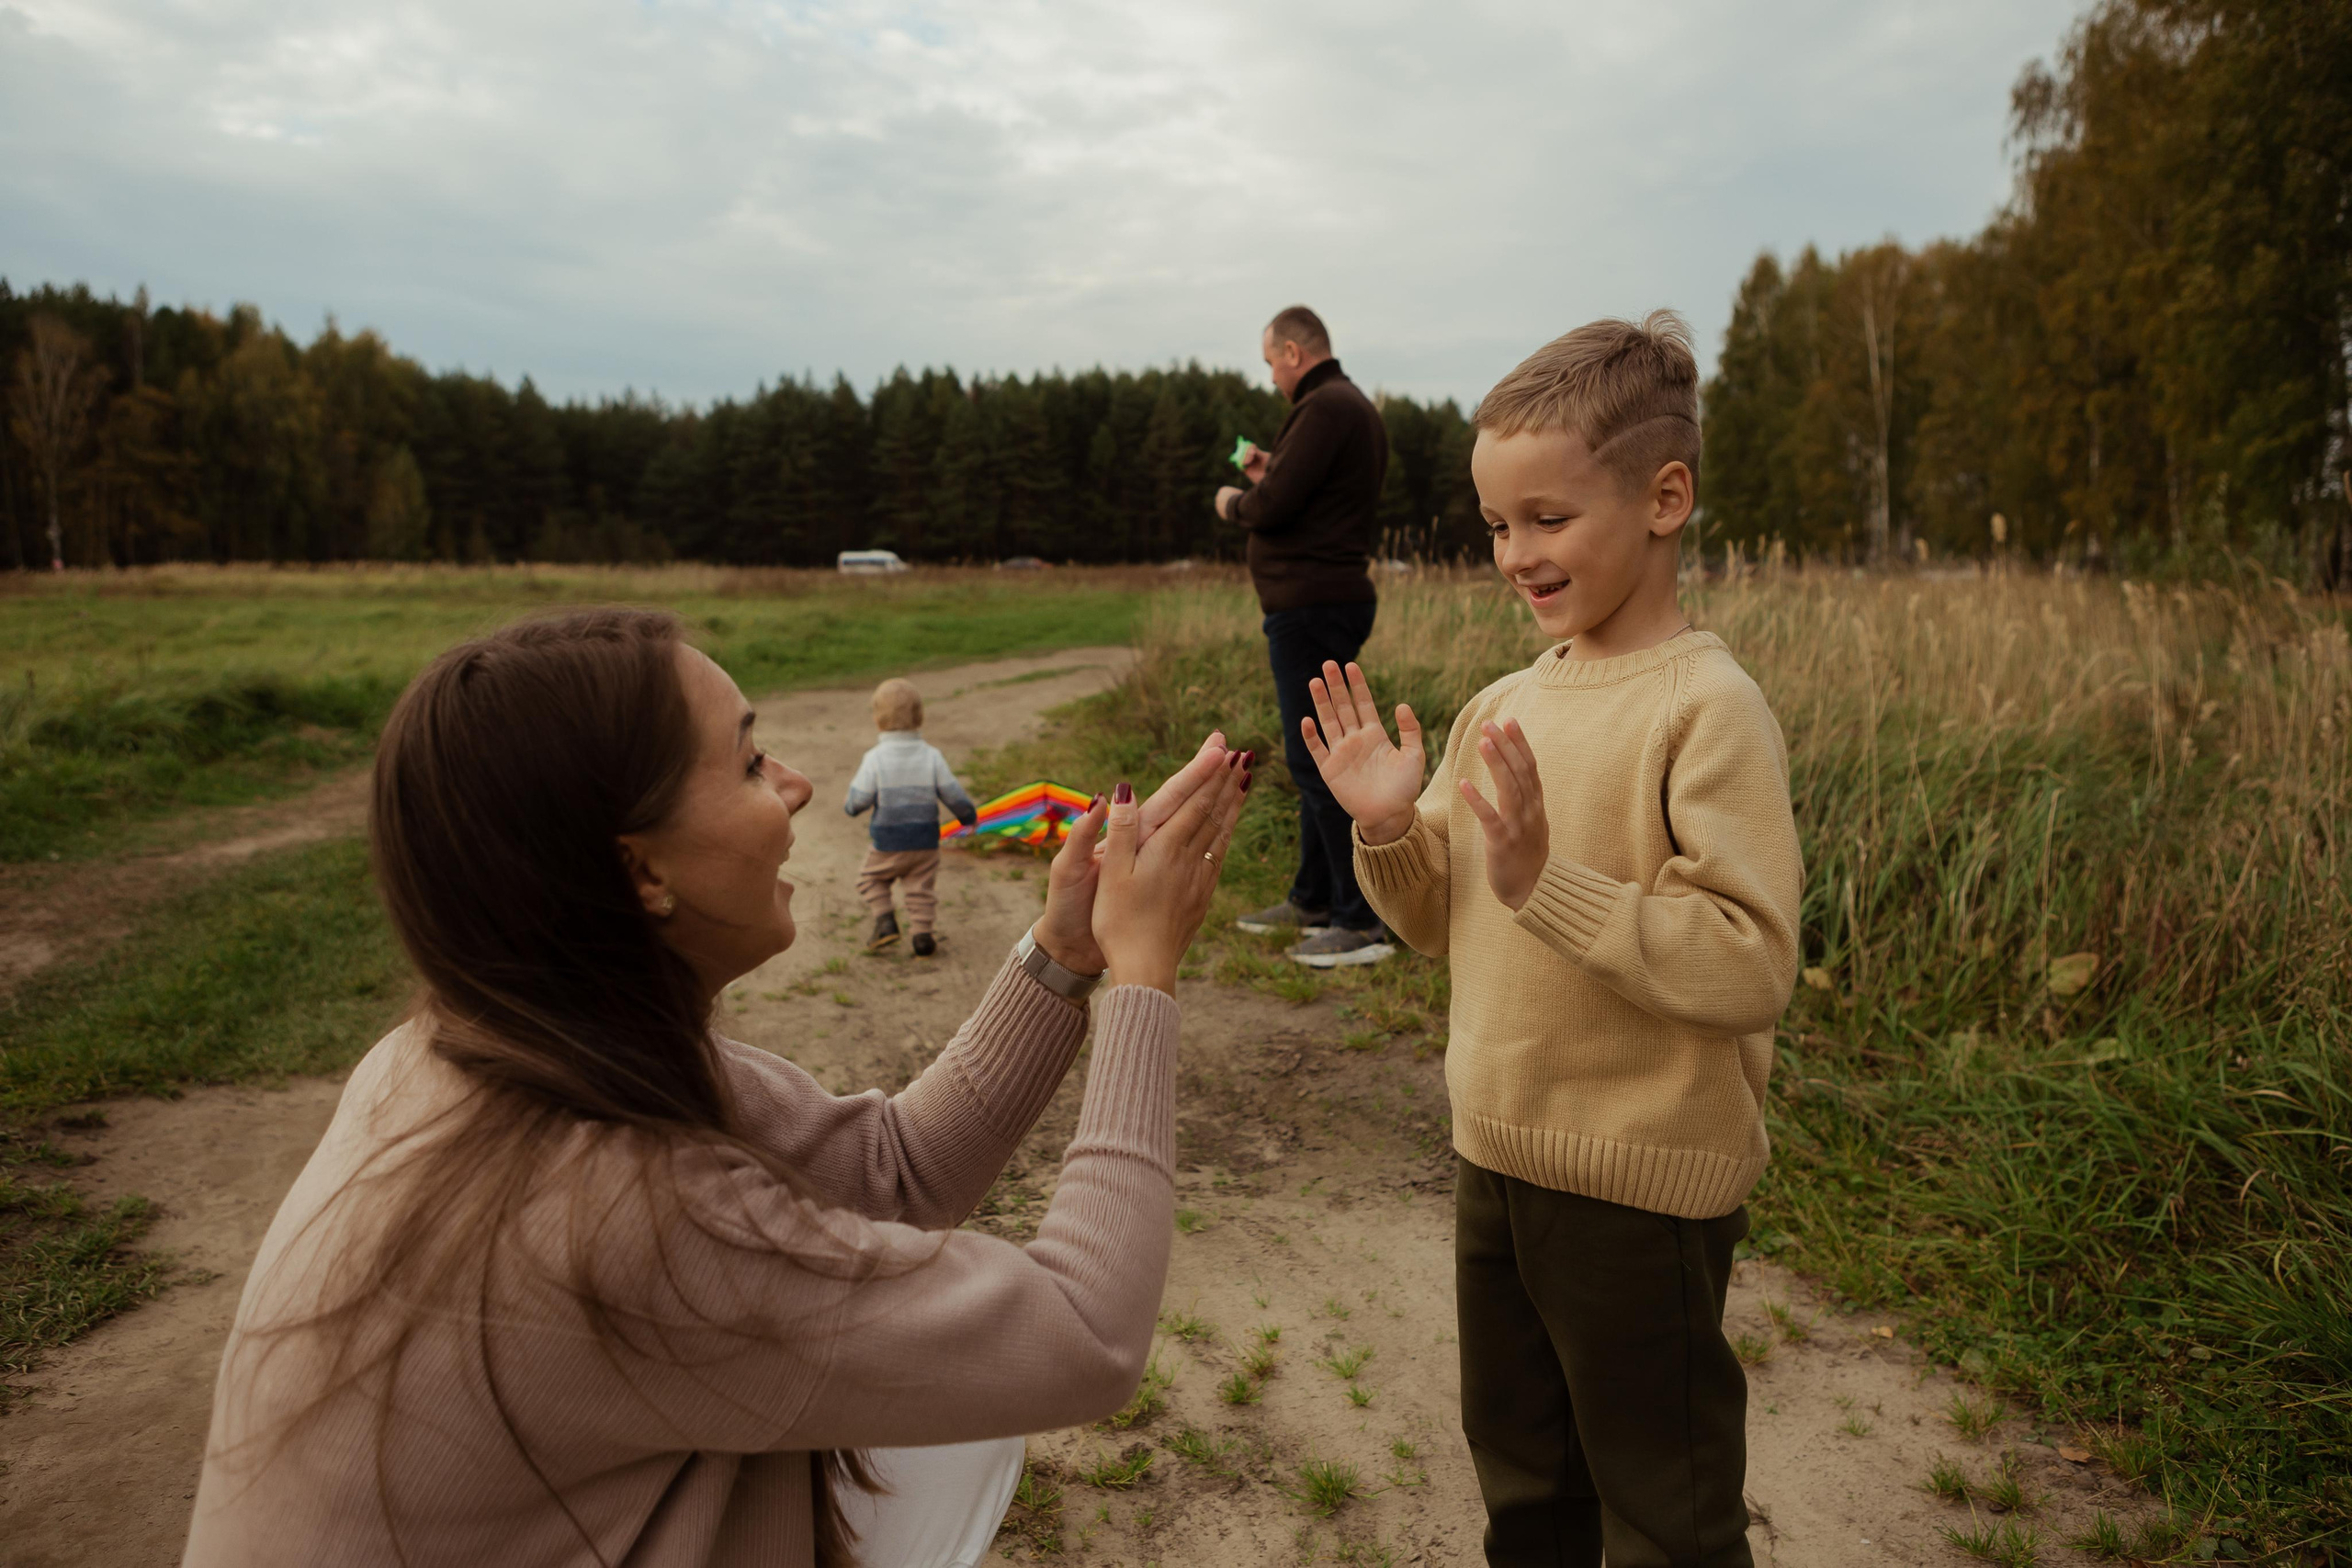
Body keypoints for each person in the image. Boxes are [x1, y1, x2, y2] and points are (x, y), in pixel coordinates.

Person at [180, 608, 1251, 1568]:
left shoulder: (483, 1043)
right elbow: (1082, 1336)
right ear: (639, 872)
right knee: (951, 1413)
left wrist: (1067, 949)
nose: (791, 783)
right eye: (747, 763)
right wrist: (1143, 979)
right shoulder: (617, 1210)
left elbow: (893, 1171)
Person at [1300, 313, 1804, 1568]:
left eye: (1548, 517)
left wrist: (1549, 882)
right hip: (1498, 1158)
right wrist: (1383, 828)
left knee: (1661, 1507)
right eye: (1495, 524)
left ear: (1665, 497)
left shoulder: (1707, 704)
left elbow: (1749, 958)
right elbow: (1436, 920)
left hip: (1642, 1183)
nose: (1515, 553)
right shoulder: (1502, 705)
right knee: (1524, 1480)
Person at [1215, 304, 1395, 968]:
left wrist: (1233, 500)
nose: (1269, 378)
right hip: (1321, 601)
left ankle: (1361, 920)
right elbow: (1302, 498)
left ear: (1294, 351)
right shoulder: (1346, 409)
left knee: (1319, 757)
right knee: (1315, 753)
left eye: (1270, 362)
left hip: (1313, 605)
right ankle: (1314, 897)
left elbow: (1274, 508)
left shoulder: (1325, 408)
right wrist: (1275, 471)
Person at [842, 676, 978, 956]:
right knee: (920, 888)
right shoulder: (932, 756)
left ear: (876, 719)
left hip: (888, 843)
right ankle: (923, 936)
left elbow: (859, 800)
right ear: (920, 717)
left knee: (870, 879)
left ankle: (885, 921)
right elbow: (953, 794)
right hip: (926, 841)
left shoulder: (875, 758)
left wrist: (851, 807)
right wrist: (968, 817)